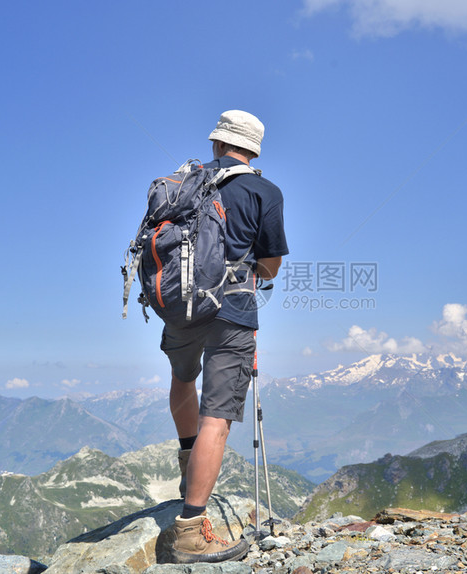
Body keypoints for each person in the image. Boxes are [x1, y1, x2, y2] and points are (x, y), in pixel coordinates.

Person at [162, 110, 288, 564]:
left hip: (179, 302)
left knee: (182, 378)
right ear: (253, 149)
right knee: (218, 414)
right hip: (232, 308)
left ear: (217, 144)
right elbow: (271, 263)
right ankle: (192, 532)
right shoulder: (263, 191)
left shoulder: (186, 181)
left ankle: (187, 465)